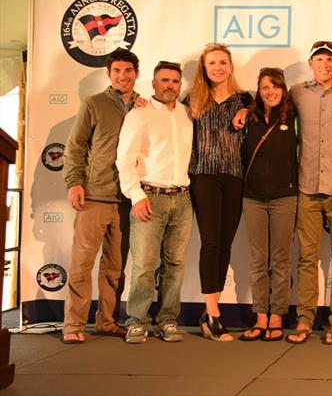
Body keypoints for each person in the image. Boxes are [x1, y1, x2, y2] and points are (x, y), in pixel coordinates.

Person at [61, 49, 141, 344]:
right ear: (109, 74)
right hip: (94, 195)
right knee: (82, 263)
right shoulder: (93, 104)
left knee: (115, 267)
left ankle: (107, 322)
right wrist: (75, 182)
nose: (123, 76)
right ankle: (73, 324)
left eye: (128, 70)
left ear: (136, 73)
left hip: (127, 199)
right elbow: (75, 148)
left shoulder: (144, 107)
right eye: (117, 70)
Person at [287, 40, 332, 344]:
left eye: (330, 59)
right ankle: (305, 320)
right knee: (306, 257)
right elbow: (269, 107)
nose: (325, 65)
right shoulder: (296, 92)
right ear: (311, 63)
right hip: (306, 185)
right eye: (319, 59)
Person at [116, 61, 193, 344]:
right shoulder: (139, 114)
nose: (169, 85)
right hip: (149, 197)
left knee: (175, 265)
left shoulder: (187, 113)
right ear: (153, 83)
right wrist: (136, 196)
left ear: (180, 85)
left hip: (183, 199)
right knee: (145, 265)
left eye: (174, 81)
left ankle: (168, 320)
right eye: (164, 80)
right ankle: (137, 321)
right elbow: (124, 160)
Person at [186, 43, 251, 341]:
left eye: (222, 62)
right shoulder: (193, 99)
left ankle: (210, 311)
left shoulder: (244, 99)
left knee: (225, 243)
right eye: (212, 63)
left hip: (234, 177)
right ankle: (212, 313)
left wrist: (248, 110)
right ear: (204, 67)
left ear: (230, 65)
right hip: (204, 177)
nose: (217, 68)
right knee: (211, 243)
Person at [239, 67, 298, 343]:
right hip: (253, 198)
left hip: (284, 198)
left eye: (275, 86)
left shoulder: (294, 116)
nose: (270, 92)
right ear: (258, 90)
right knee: (257, 261)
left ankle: (278, 315)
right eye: (265, 87)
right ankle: (260, 315)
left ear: (283, 89)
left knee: (281, 259)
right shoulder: (248, 116)